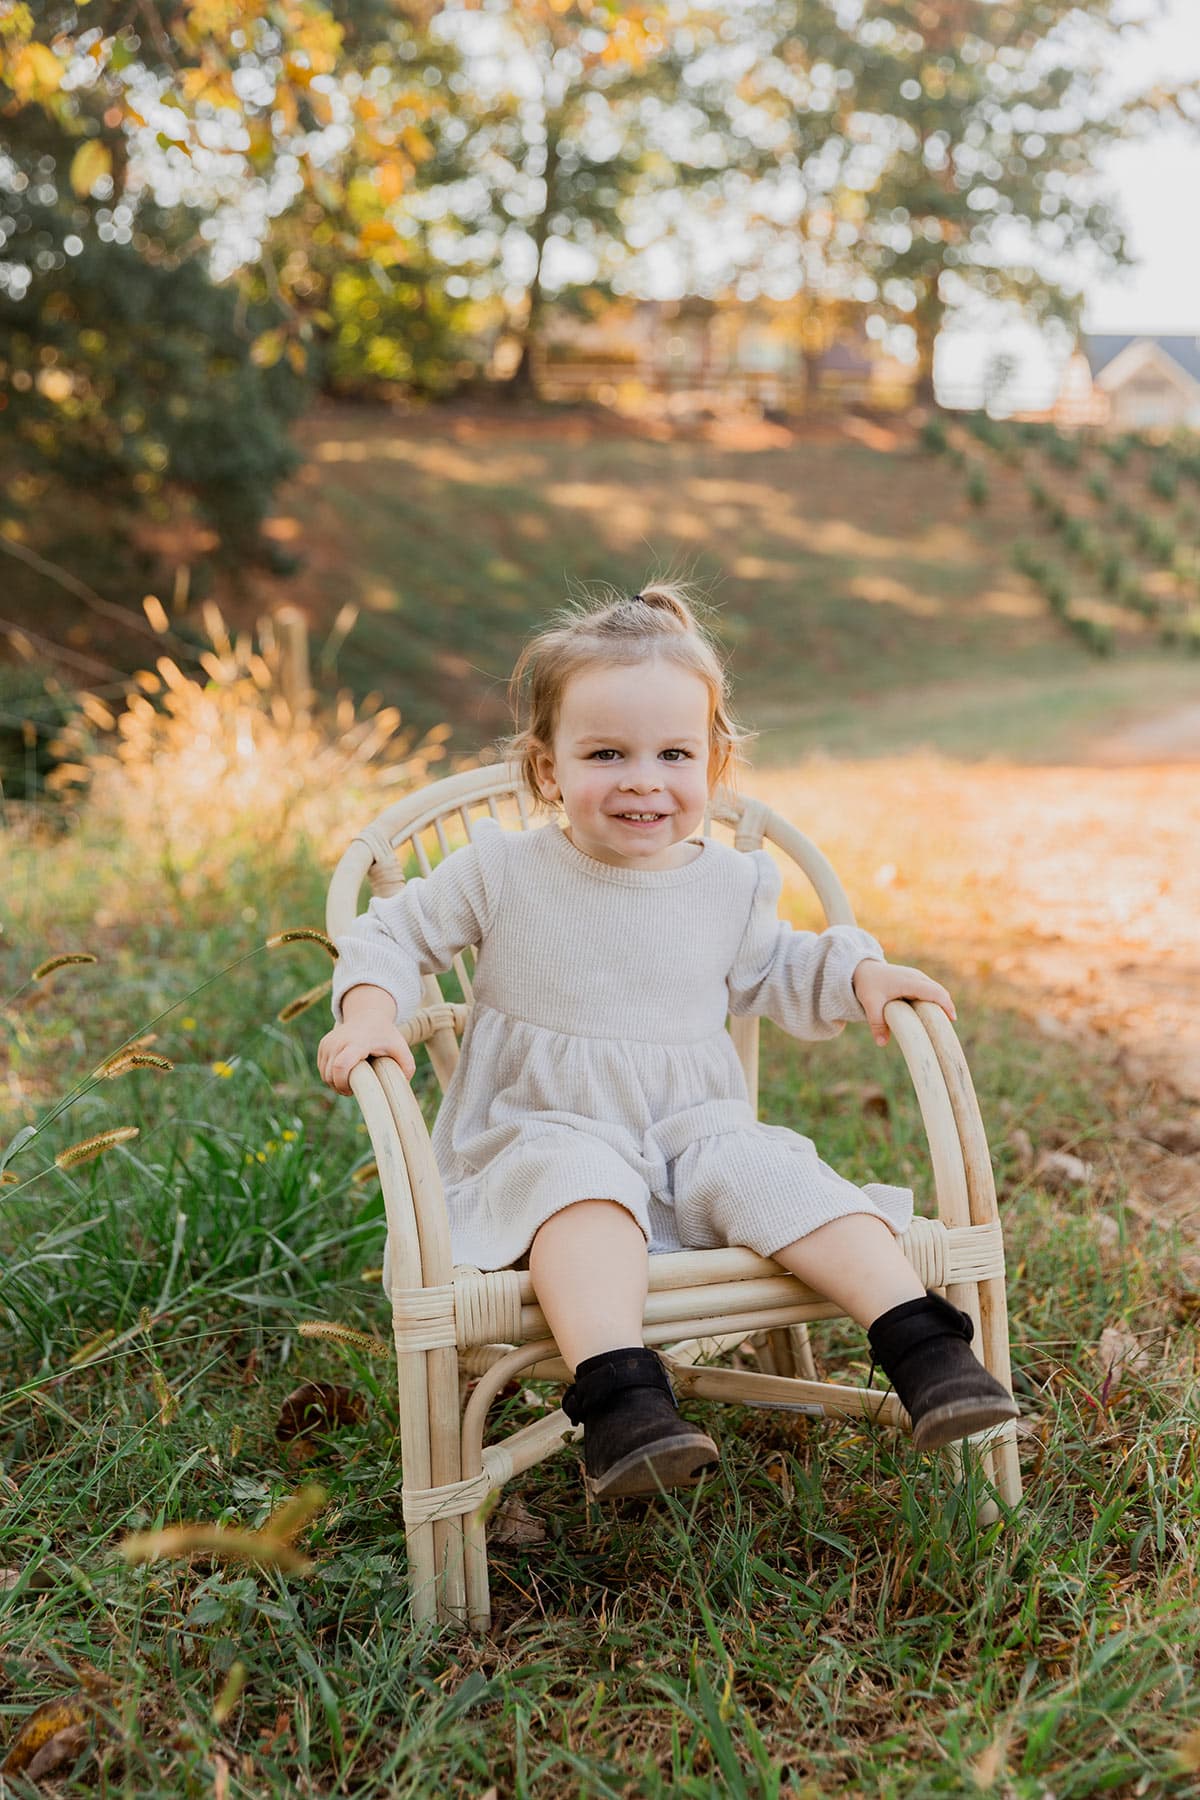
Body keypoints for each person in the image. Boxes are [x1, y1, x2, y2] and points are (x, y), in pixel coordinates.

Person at [317, 584, 1019, 1500]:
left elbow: (785, 967)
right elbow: (390, 936)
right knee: (580, 1189)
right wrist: (370, 1009)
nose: (643, 778)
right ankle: (622, 1400)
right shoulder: (503, 869)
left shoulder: (726, 883)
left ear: (715, 763)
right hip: (541, 1131)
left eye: (673, 754)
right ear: (547, 767)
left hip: (692, 1131)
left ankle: (924, 1346)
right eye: (606, 753)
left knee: (779, 1170)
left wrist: (862, 977)